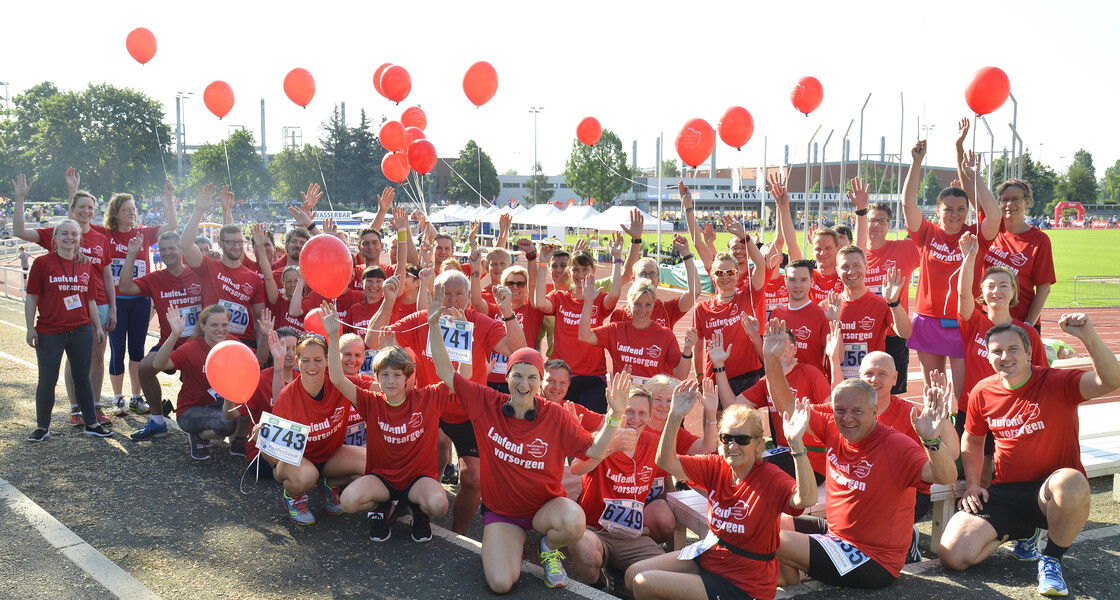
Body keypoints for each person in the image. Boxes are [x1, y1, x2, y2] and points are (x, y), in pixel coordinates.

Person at [427, 281, 629, 592]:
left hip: (543, 510)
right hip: (503, 515)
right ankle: (513, 544)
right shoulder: (486, 402)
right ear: (505, 376)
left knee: (574, 522)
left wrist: (615, 416)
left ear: (539, 382)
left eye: (532, 377)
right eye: (517, 375)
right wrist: (432, 324)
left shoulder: (555, 414)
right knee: (500, 584)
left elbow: (595, 449)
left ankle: (549, 548)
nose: (524, 384)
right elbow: (444, 370)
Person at [761, 320, 957, 589]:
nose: (847, 419)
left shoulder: (897, 444)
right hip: (837, 536)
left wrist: (932, 441)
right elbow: (786, 405)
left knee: (770, 537)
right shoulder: (832, 425)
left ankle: (794, 583)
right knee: (766, 519)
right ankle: (795, 580)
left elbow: (946, 476)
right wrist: (771, 359)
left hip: (872, 559)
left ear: (875, 413)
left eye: (857, 412)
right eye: (840, 410)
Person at [937, 316, 1120, 596]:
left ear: (1029, 353)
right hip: (1006, 491)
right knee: (954, 556)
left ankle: (1051, 560)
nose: (1005, 356)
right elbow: (973, 441)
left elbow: (1110, 380)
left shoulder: (1057, 382)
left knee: (1071, 482)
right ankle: (1021, 531)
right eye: (996, 351)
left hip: (1049, 493)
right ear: (988, 356)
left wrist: (1088, 336)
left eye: (1012, 349)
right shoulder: (982, 392)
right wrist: (973, 485)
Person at [367, 269, 527, 536]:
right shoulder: (422, 320)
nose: (452, 300)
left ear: (468, 297)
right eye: (445, 293)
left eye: (458, 294)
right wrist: (388, 300)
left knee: (474, 478)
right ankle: (413, 505)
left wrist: (507, 310)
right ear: (434, 295)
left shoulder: (480, 321)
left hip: (470, 410)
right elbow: (372, 340)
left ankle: (457, 533)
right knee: (418, 460)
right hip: (431, 405)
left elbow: (519, 352)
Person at [625, 381, 817, 600]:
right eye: (727, 438)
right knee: (632, 574)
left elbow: (806, 498)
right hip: (712, 556)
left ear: (758, 444)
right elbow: (665, 461)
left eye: (742, 439)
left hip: (743, 583)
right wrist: (675, 416)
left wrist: (797, 446)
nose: (733, 446)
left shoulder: (769, 476)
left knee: (643, 584)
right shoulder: (716, 465)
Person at [317, 307, 448, 543]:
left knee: (439, 504)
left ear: (408, 377)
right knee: (348, 500)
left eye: (397, 375)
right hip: (382, 480)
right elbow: (337, 379)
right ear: (376, 378)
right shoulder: (370, 401)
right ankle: (381, 507)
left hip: (417, 480)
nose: (391, 381)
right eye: (385, 375)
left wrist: (436, 327)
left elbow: (454, 375)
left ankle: (419, 512)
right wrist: (334, 335)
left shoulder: (426, 398)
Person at [903, 130, 1000, 402]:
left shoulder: (975, 235)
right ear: (938, 210)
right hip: (928, 320)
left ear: (967, 212)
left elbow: (994, 214)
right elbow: (908, 203)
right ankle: (936, 442)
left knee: (964, 393)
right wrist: (916, 162)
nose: (955, 214)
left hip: (963, 321)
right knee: (933, 393)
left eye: (961, 209)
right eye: (948, 208)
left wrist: (975, 176)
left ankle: (962, 440)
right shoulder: (927, 233)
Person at [12, 172, 115, 424]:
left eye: (91, 207)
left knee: (95, 357)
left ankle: (95, 405)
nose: (86, 211)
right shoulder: (59, 234)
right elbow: (21, 230)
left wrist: (113, 307)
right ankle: (75, 408)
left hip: (96, 304)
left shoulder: (101, 238)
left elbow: (107, 274)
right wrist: (20, 198)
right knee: (74, 359)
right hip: (64, 314)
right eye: (81, 207)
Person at [856, 352, 960, 562]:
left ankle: (905, 540)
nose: (874, 379)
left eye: (882, 374)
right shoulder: (851, 412)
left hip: (910, 495)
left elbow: (953, 452)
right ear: (859, 376)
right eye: (868, 373)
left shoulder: (910, 414)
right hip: (866, 488)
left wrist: (944, 416)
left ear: (895, 378)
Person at [90, 175, 179, 416]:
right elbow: (81, 224)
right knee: (118, 350)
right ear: (115, 213)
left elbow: (172, 224)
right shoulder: (105, 235)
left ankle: (136, 397)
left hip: (140, 301)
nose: (132, 212)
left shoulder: (143, 234)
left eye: (134, 209)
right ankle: (118, 398)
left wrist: (169, 199)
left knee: (138, 350)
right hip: (116, 302)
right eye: (126, 209)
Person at [568, 385, 667, 591]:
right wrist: (612, 445)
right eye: (629, 411)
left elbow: (692, 457)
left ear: (649, 417)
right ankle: (600, 584)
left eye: (642, 413)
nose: (635, 419)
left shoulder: (654, 443)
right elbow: (576, 468)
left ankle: (622, 566)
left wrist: (709, 414)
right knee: (580, 544)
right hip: (595, 532)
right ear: (618, 409)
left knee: (666, 574)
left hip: (632, 537)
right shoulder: (601, 438)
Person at [263, 330, 366, 526]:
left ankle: (330, 485)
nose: (312, 366)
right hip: (297, 463)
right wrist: (264, 438)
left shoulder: (340, 384)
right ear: (297, 362)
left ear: (327, 360)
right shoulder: (287, 397)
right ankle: (293, 496)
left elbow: (380, 389)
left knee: (371, 462)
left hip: (329, 456)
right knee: (307, 476)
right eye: (306, 360)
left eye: (318, 359)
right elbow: (272, 458)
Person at [24, 219, 112, 441]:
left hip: (81, 330)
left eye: (74, 234)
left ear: (79, 238)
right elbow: (32, 297)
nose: (69, 238)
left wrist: (97, 327)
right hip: (49, 331)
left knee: (82, 378)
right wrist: (29, 328)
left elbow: (90, 300)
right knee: (47, 379)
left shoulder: (85, 264)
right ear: (55, 237)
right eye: (64, 234)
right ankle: (42, 427)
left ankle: (91, 423)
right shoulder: (43, 263)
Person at [710, 328, 831, 481]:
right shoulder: (767, 381)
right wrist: (719, 366)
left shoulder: (810, 373)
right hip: (783, 453)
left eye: (782, 345)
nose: (778, 350)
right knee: (732, 461)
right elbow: (732, 408)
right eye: (772, 346)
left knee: (750, 467)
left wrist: (805, 411)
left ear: (793, 349)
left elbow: (833, 412)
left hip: (811, 460)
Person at [119, 232, 205, 441]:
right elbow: (124, 287)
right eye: (163, 249)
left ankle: (208, 425)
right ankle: (158, 422)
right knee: (145, 368)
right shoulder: (155, 278)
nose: (167, 253)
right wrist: (131, 255)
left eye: (171, 248)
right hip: (171, 343)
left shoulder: (200, 273)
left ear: (181, 249)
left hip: (200, 344)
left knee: (201, 384)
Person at [532, 238, 624, 412]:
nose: (580, 274)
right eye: (575, 269)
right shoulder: (560, 297)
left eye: (585, 269)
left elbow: (615, 294)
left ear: (593, 271)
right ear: (569, 271)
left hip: (593, 378)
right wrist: (543, 263)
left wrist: (617, 259)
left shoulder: (598, 298)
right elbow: (539, 302)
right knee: (560, 427)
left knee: (591, 429)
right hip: (563, 378)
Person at [148, 304, 252, 459]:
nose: (220, 329)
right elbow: (158, 365)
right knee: (227, 423)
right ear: (203, 326)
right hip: (191, 411)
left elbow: (257, 361)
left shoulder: (232, 343)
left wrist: (264, 336)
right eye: (214, 325)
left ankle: (238, 443)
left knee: (249, 405)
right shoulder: (192, 348)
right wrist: (175, 334)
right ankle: (198, 437)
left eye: (224, 324)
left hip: (219, 405)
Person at [851, 186, 921, 395]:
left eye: (881, 221)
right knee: (859, 395)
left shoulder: (905, 250)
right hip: (862, 334)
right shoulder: (855, 256)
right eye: (872, 220)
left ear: (889, 225)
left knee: (891, 397)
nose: (876, 225)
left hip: (893, 334)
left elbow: (934, 246)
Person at [181, 185, 266, 349]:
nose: (236, 246)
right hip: (211, 339)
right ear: (220, 244)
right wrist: (198, 210)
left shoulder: (254, 278)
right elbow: (185, 245)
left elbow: (260, 320)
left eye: (240, 242)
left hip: (243, 343)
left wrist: (260, 355)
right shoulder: (208, 266)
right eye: (231, 242)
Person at [640, 375, 718, 543]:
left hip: (652, 499)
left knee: (667, 520)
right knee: (665, 517)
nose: (664, 405)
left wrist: (711, 412)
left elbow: (707, 447)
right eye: (657, 399)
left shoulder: (675, 432)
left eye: (670, 401)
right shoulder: (636, 424)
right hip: (626, 496)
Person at [819, 245, 911, 380]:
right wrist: (834, 323)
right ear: (837, 271)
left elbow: (905, 333)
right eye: (845, 267)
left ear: (866, 268)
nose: (851, 271)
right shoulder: (827, 307)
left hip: (871, 383)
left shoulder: (880, 304)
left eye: (857, 265)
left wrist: (894, 303)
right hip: (838, 383)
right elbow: (836, 358)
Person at [578, 278, 692, 381]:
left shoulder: (665, 335)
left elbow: (681, 375)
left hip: (652, 400)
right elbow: (585, 336)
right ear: (629, 304)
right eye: (637, 304)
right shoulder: (616, 330)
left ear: (653, 305)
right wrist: (588, 302)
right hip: (623, 399)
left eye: (648, 305)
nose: (642, 310)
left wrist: (687, 349)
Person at [223, 327, 300, 477]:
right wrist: (228, 391)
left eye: (294, 348)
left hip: (294, 451)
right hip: (261, 456)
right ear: (273, 349)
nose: (290, 354)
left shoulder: (304, 379)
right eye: (284, 348)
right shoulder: (261, 379)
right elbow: (230, 415)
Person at [986, 179, 1055, 333]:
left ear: (1027, 201)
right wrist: (969, 171)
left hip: (1023, 322)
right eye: (1005, 200)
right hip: (988, 318)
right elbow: (973, 193)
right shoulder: (992, 227)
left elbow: (1044, 288)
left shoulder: (1039, 240)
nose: (1010, 204)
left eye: (1016, 199)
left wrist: (1028, 325)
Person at [694, 251, 765, 398]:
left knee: (745, 420)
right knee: (715, 421)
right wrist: (700, 378)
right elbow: (698, 346)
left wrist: (745, 237)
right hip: (714, 376)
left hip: (747, 377)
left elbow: (761, 265)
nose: (725, 276)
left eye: (730, 272)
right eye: (720, 273)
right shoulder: (701, 308)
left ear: (738, 275)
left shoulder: (747, 297)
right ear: (713, 276)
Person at [768, 259, 830, 376]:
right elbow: (770, 355)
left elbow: (833, 357)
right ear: (785, 281)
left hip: (811, 384)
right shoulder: (776, 314)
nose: (798, 285)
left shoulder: (822, 315)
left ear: (811, 282)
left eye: (803, 280)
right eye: (792, 280)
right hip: (782, 382)